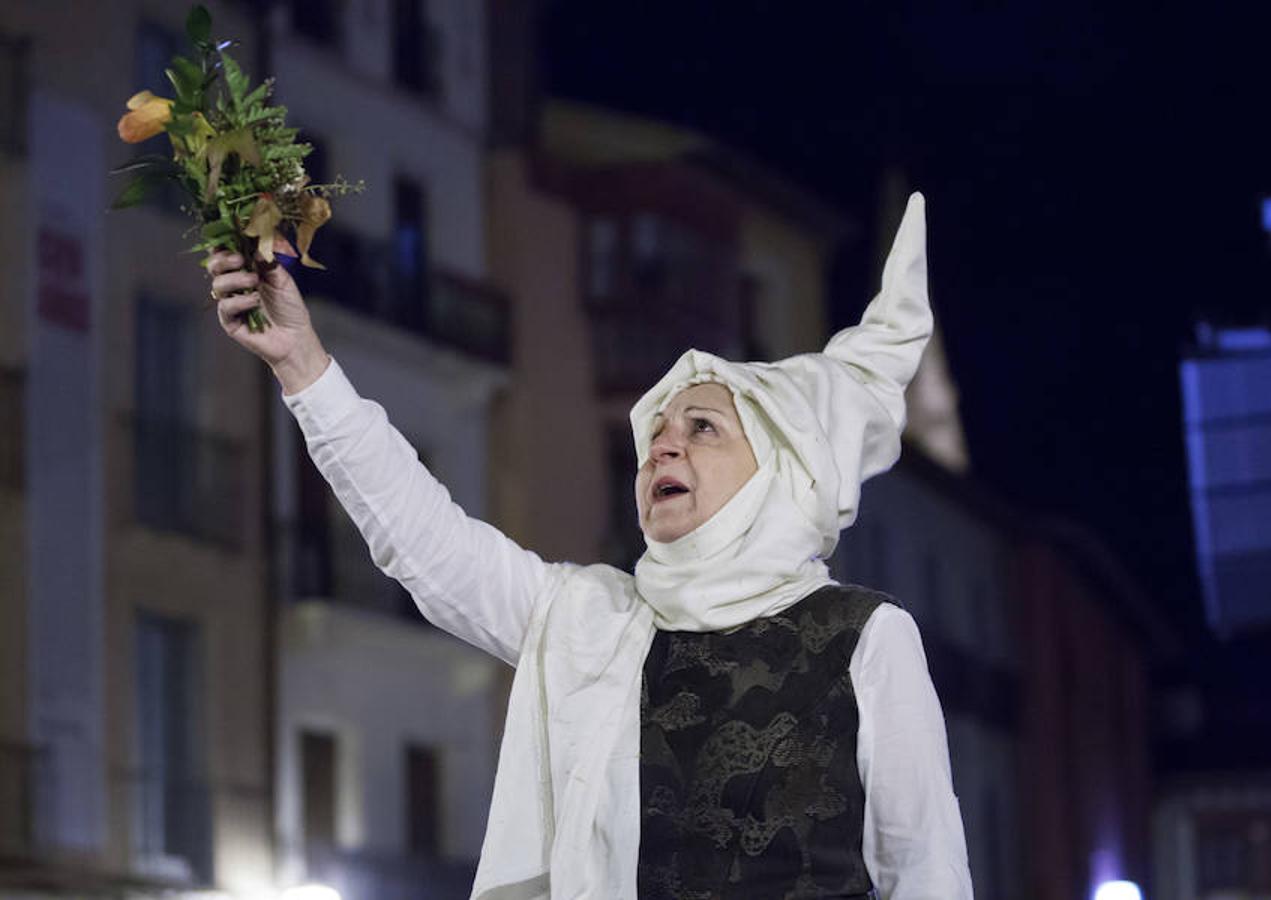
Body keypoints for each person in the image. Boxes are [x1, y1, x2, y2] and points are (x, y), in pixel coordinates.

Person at [209, 193, 973, 899]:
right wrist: (302, 365)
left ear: (782, 469)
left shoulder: (864, 635)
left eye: (701, 428)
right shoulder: (592, 619)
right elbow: (425, 541)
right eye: (655, 437)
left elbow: (925, 866)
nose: (662, 450)